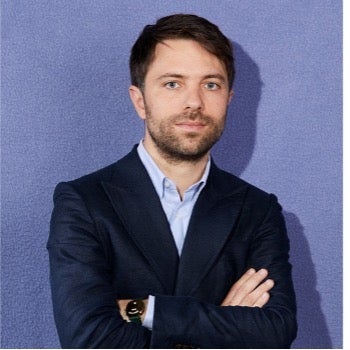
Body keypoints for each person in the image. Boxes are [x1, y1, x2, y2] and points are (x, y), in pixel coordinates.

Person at [47, 13, 297, 348]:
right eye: (172, 84)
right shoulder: (84, 202)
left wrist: (145, 310)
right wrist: (223, 324)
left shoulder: (258, 210)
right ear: (140, 101)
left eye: (211, 84)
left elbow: (275, 330)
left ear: (229, 99)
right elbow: (89, 339)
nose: (194, 102)